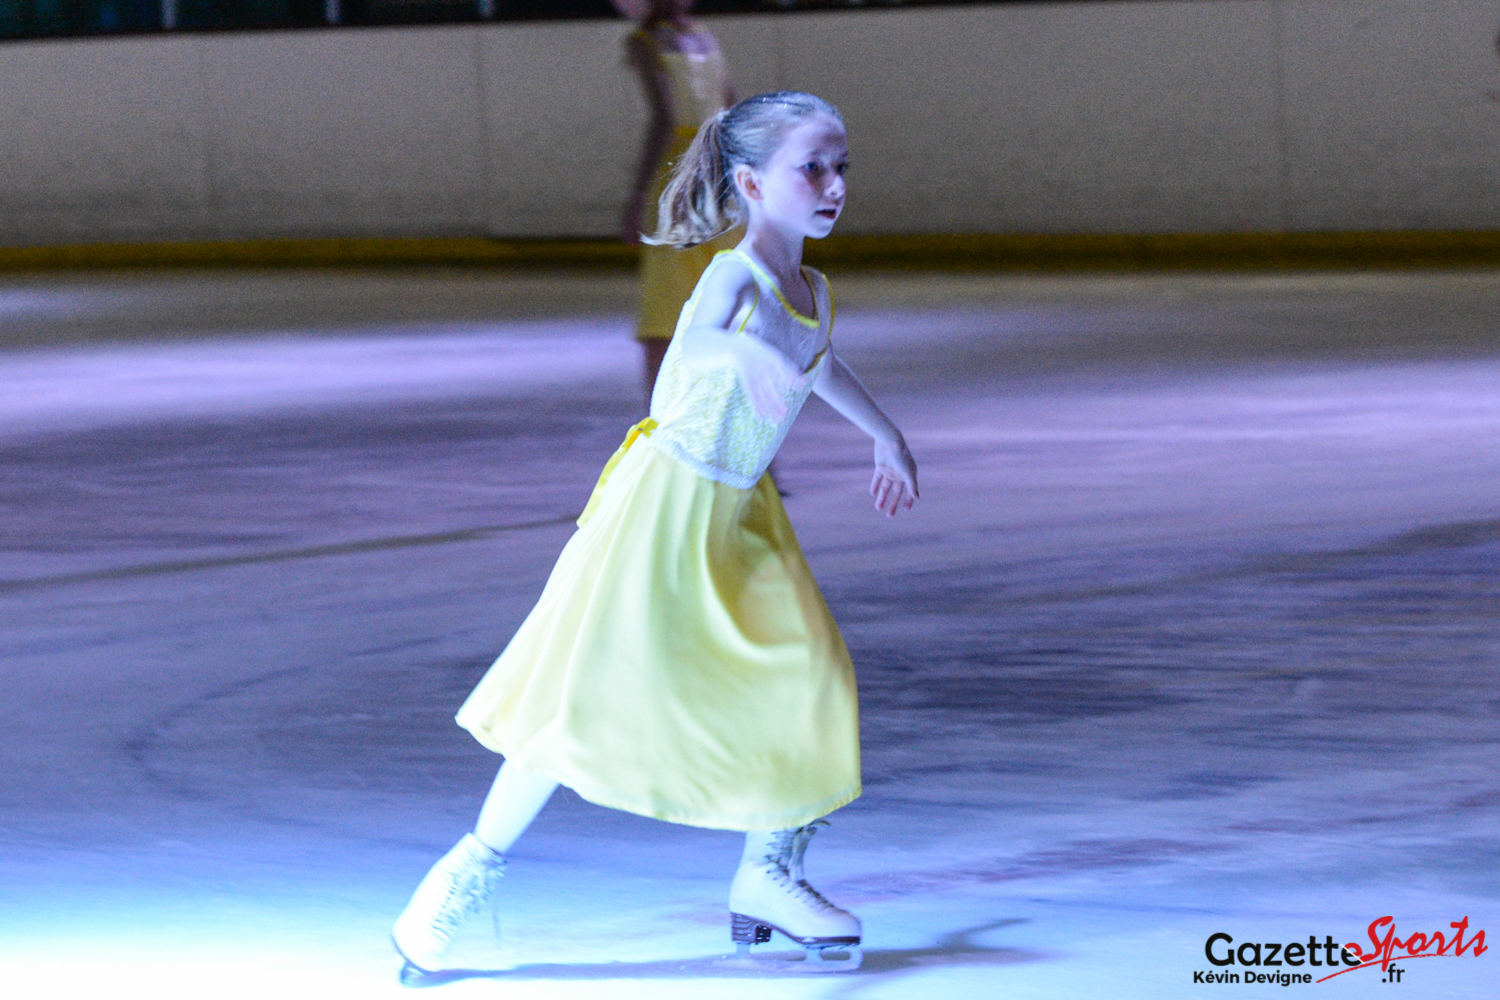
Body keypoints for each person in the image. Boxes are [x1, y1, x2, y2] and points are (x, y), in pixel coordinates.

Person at [391, 91, 919, 981]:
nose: (834, 186)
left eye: (841, 169)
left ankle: (767, 875)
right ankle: (460, 881)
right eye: (812, 169)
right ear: (751, 184)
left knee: (813, 674)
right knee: (577, 705)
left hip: (743, 515)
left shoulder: (814, 290)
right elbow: (694, 348)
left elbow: (817, 360)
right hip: (663, 510)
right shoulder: (733, 277)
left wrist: (884, 433)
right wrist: (745, 352)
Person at [616, 0, 737, 403]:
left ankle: (663, 423)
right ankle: (725, 418)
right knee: (722, 305)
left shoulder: (645, 42)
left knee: (663, 316)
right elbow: (732, 109)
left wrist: (637, 195)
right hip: (719, 176)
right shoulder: (706, 37)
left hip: (678, 179)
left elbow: (665, 120)